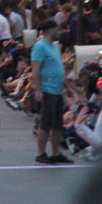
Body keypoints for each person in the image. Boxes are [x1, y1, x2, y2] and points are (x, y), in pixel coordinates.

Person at [31, 20, 72, 164]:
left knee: (57, 124)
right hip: (47, 89)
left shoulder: (54, 47)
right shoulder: (40, 46)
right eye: (56, 29)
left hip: (57, 89)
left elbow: (58, 67)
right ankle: (41, 153)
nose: (58, 32)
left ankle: (56, 153)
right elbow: (35, 69)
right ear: (50, 30)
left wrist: (67, 87)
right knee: (46, 123)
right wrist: (37, 89)